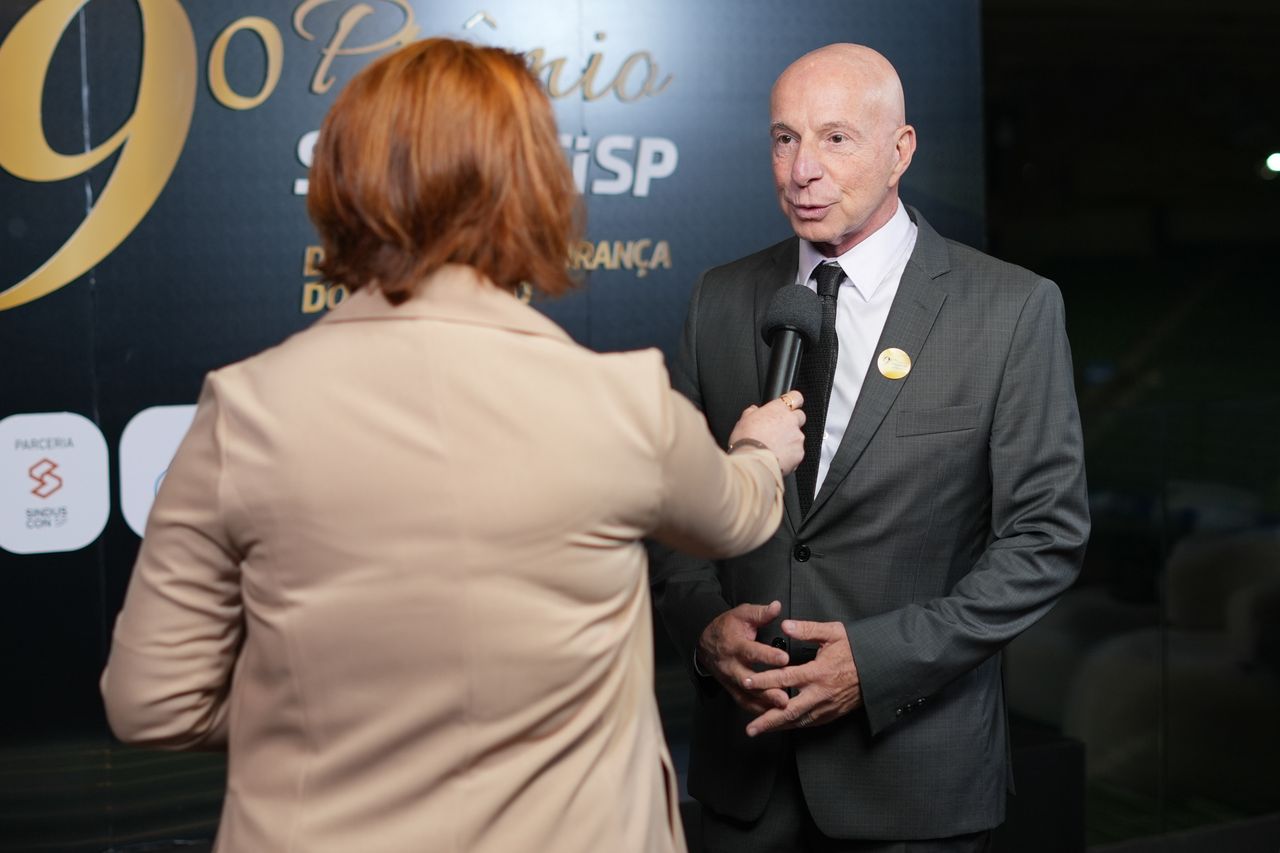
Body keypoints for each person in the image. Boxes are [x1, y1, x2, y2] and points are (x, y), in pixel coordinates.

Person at [100, 38, 806, 853]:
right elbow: (741, 516)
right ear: (534, 188)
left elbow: (151, 702)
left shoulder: (243, 409)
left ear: (339, 180)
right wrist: (759, 450)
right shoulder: (619, 400)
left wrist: (327, 718)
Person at [650, 43, 1090, 852]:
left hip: (915, 783)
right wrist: (706, 632)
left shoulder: (1010, 309)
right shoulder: (720, 297)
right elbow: (675, 509)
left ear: (901, 150)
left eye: (836, 138)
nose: (802, 170)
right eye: (785, 139)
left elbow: (1045, 538)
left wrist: (878, 661)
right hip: (745, 783)